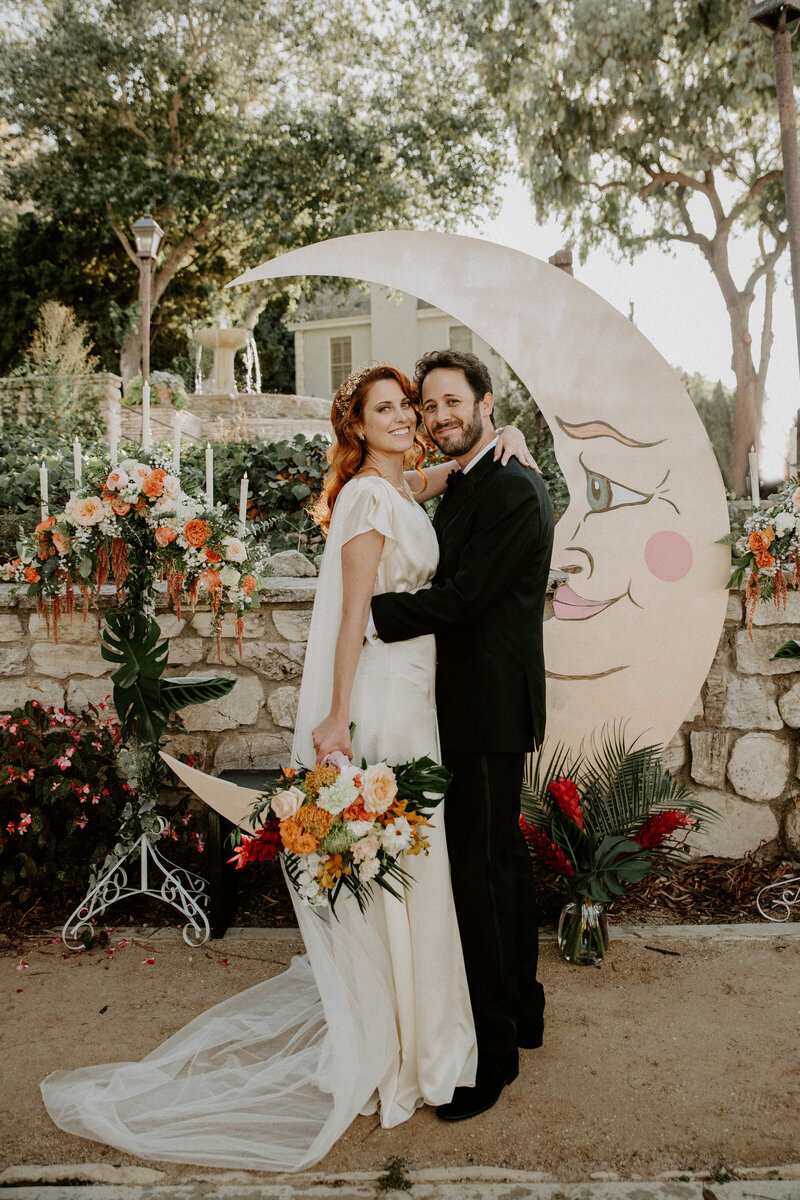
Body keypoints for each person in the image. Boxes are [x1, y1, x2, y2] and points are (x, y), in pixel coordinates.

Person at [40, 362, 535, 1171]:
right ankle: (408, 1041)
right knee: (412, 862)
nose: (408, 416)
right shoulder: (371, 499)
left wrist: (500, 435)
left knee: (418, 860)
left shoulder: (402, 487)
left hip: (419, 695)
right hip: (383, 691)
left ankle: (422, 1028)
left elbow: (443, 468)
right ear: (358, 426)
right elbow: (349, 620)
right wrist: (336, 714)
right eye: (388, 409)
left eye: (410, 405)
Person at [364, 349, 554, 1122]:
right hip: (482, 701)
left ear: (484, 403)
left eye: (452, 403)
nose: (439, 417)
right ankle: (526, 1007)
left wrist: (374, 614)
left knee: (477, 872)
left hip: (485, 705)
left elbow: (467, 596)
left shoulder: (511, 486)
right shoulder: (483, 475)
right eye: (429, 406)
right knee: (500, 859)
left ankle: (495, 1055)